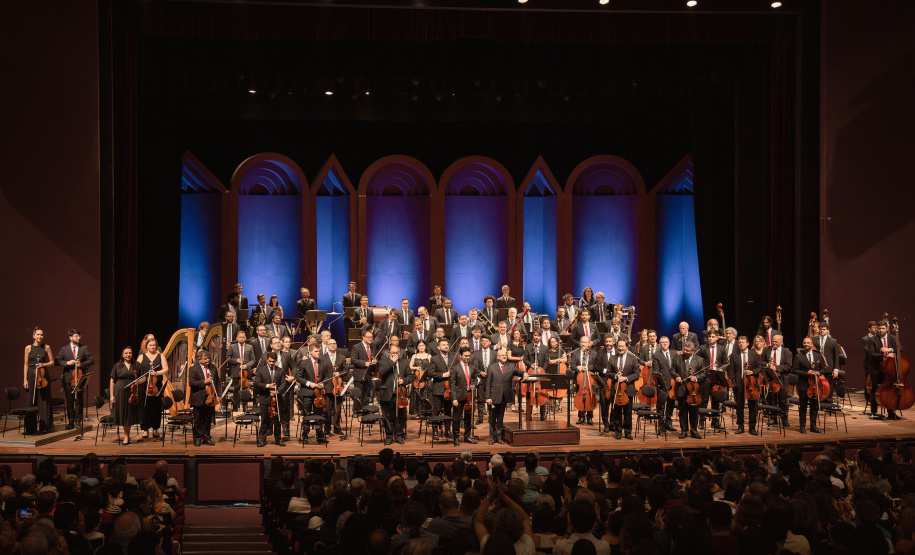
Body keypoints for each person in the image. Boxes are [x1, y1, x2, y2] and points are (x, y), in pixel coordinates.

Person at [486, 349, 528, 444]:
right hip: (493, 396)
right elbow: (488, 383)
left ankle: (499, 437)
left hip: (504, 396)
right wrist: (488, 397)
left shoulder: (511, 366)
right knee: (492, 418)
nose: (504, 356)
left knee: (500, 418)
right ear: (498, 357)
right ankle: (492, 437)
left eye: (505, 355)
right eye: (502, 355)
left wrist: (524, 373)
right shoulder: (492, 367)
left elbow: (519, 372)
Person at [55, 328, 94, 429]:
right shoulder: (64, 349)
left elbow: (91, 360)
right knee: (70, 400)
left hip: (80, 377)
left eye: (79, 336)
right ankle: (71, 421)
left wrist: (82, 364)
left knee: (79, 400)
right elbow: (57, 360)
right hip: (68, 378)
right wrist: (67, 363)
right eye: (76, 336)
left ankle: (78, 420)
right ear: (70, 337)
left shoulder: (84, 348)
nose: (79, 338)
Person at [295, 344, 328, 444]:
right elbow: (298, 378)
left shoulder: (323, 363)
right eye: (316, 351)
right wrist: (309, 384)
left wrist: (322, 384)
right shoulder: (304, 363)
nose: (319, 353)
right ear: (310, 352)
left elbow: (327, 377)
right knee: (307, 413)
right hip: (307, 392)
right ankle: (305, 434)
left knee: (319, 413)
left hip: (319, 393)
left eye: (319, 351)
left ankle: (320, 434)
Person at [23, 328, 55, 434]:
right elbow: (26, 364)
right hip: (31, 374)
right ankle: (30, 428)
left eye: (41, 335)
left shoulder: (46, 347)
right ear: (33, 336)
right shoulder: (28, 348)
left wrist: (43, 364)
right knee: (30, 401)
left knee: (44, 400)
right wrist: (25, 379)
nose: (40, 336)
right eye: (38, 334)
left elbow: (52, 362)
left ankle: (45, 427)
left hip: (42, 373)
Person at [729, 335, 762, 435]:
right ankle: (740, 426)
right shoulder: (734, 355)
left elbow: (760, 367)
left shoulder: (754, 354)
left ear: (747, 343)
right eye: (739, 342)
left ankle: (752, 427)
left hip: (751, 384)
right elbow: (731, 371)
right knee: (739, 406)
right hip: (739, 384)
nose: (741, 344)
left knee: (753, 406)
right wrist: (734, 383)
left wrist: (752, 372)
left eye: (743, 342)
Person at [136, 337, 168, 439]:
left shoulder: (161, 356)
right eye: (150, 345)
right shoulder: (141, 356)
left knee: (156, 407)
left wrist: (156, 373)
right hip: (144, 385)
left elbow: (166, 369)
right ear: (146, 346)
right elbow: (136, 370)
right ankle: (145, 429)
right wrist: (140, 379)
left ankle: (155, 429)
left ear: (156, 346)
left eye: (154, 345)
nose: (152, 347)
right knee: (144, 407)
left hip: (156, 385)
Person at [378, 345, 410, 445]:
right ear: (389, 353)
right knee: (387, 416)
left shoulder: (404, 362)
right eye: (393, 353)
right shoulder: (383, 362)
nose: (395, 354)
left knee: (400, 416)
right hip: (387, 393)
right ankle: (388, 436)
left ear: (399, 353)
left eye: (397, 353)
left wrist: (404, 380)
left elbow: (411, 376)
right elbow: (381, 372)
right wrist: (392, 362)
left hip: (400, 394)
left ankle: (399, 435)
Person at [793, 336, 826, 433]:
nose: (806, 344)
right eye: (804, 343)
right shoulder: (799, 356)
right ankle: (802, 426)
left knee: (814, 406)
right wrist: (807, 373)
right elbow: (795, 370)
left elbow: (824, 369)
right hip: (803, 385)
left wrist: (818, 373)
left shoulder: (818, 355)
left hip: (815, 386)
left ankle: (813, 426)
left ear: (812, 345)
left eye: (808, 343)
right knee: (803, 406)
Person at [188, 349, 220, 446]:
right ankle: (197, 438)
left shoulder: (213, 367)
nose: (207, 360)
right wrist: (204, 382)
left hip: (210, 397)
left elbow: (217, 382)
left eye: (208, 358)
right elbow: (191, 383)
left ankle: (206, 437)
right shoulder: (193, 369)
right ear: (199, 360)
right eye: (205, 359)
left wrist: (219, 395)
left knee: (207, 419)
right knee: (198, 420)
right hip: (198, 397)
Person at [109, 346, 139, 445]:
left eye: (130, 353)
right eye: (126, 353)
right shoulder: (117, 366)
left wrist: (139, 381)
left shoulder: (136, 365)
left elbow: (143, 378)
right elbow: (112, 380)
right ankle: (126, 436)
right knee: (123, 414)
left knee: (129, 415)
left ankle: (127, 435)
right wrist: (111, 396)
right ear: (122, 355)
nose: (128, 355)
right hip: (120, 392)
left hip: (132, 392)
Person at [255, 352, 286, 447]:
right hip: (264, 398)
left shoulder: (280, 370)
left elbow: (283, 383)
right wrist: (268, 386)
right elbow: (256, 383)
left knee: (277, 420)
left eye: (273, 361)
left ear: (276, 361)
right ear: (266, 360)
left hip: (277, 398)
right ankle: (262, 440)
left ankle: (278, 439)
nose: (272, 363)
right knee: (264, 420)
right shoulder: (261, 370)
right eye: (270, 361)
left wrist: (277, 391)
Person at [610, 339, 639, 440]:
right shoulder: (612, 358)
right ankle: (618, 431)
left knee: (627, 413)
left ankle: (627, 432)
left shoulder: (633, 358)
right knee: (617, 412)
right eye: (619, 346)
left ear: (627, 347)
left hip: (628, 389)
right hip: (616, 389)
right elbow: (608, 373)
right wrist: (615, 375)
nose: (620, 348)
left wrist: (626, 378)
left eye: (622, 346)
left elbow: (637, 374)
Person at [449, 347, 478, 446]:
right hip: (459, 396)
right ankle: (456, 437)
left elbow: (476, 378)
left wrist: (475, 383)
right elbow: (452, 384)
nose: (467, 358)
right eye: (465, 356)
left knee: (468, 418)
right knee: (456, 418)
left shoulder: (472, 367)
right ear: (460, 355)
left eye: (468, 356)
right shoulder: (454, 368)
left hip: (469, 396)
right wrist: (454, 398)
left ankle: (467, 436)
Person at [427, 338, 455, 441]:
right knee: (437, 410)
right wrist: (443, 375)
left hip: (450, 389)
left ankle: (447, 431)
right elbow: (430, 373)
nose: (446, 346)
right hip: (438, 388)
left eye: (447, 344)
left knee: (448, 410)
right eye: (443, 345)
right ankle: (435, 431)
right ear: (439, 347)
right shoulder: (435, 358)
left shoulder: (453, 358)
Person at [762, 333, 793, 427]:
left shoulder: (787, 351)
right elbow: (761, 361)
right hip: (771, 378)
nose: (774, 343)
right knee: (772, 399)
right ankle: (773, 418)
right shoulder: (766, 349)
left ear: (781, 342)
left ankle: (784, 419)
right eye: (773, 341)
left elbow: (788, 366)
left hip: (782, 378)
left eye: (776, 341)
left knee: (783, 399)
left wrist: (776, 367)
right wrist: (768, 365)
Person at [676, 342, 705, 439]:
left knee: (694, 412)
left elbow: (704, 373)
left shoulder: (700, 360)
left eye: (687, 350)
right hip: (682, 388)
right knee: (682, 412)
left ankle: (694, 431)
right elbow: (672, 370)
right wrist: (677, 376)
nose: (685, 352)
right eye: (684, 349)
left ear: (693, 351)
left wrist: (696, 378)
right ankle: (684, 431)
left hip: (694, 391)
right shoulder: (677, 358)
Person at [651, 336, 680, 432]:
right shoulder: (656, 355)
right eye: (663, 342)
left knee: (670, 404)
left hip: (673, 384)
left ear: (669, 343)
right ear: (660, 344)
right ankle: (661, 425)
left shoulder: (674, 353)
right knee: (661, 405)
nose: (665, 344)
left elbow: (677, 368)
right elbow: (656, 371)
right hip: (662, 384)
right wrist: (659, 385)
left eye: (666, 342)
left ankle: (668, 423)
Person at [321, 338, 349, 436]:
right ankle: (327, 428)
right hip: (328, 387)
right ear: (327, 346)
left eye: (334, 343)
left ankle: (337, 427)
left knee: (337, 409)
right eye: (330, 343)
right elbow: (321, 373)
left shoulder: (342, 357)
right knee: (327, 410)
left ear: (336, 345)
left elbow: (346, 370)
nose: (333, 345)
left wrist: (339, 373)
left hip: (338, 386)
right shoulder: (322, 357)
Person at [569, 336, 597, 425]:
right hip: (579, 378)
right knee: (580, 396)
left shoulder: (594, 353)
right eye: (582, 342)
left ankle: (589, 417)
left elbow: (596, 366)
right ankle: (581, 417)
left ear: (589, 343)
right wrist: (578, 368)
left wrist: (588, 368)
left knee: (590, 395)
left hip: (590, 377)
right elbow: (572, 364)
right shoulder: (575, 353)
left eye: (585, 342)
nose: (583, 344)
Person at [226, 329, 255, 412]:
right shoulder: (232, 346)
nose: (242, 339)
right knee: (236, 390)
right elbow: (227, 358)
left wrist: (246, 365)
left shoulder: (250, 347)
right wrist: (236, 361)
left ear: (245, 338)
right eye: (240, 337)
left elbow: (253, 360)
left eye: (243, 337)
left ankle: (245, 407)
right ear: (237, 338)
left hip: (246, 373)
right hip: (236, 372)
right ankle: (235, 407)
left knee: (245, 390)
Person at [351, 329, 377, 407]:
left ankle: (365, 409)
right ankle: (356, 410)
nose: (370, 339)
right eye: (368, 337)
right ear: (363, 337)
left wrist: (374, 360)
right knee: (358, 395)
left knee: (367, 394)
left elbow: (373, 357)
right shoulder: (356, 347)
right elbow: (353, 360)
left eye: (371, 337)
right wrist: (365, 363)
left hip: (369, 374)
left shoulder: (373, 346)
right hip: (360, 374)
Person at [861, 321, 880, 416]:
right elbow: (868, 351)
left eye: (877, 327)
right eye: (873, 327)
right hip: (869, 363)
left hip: (878, 364)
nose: (875, 329)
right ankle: (868, 398)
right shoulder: (865, 339)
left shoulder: (879, 338)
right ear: (869, 328)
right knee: (869, 382)